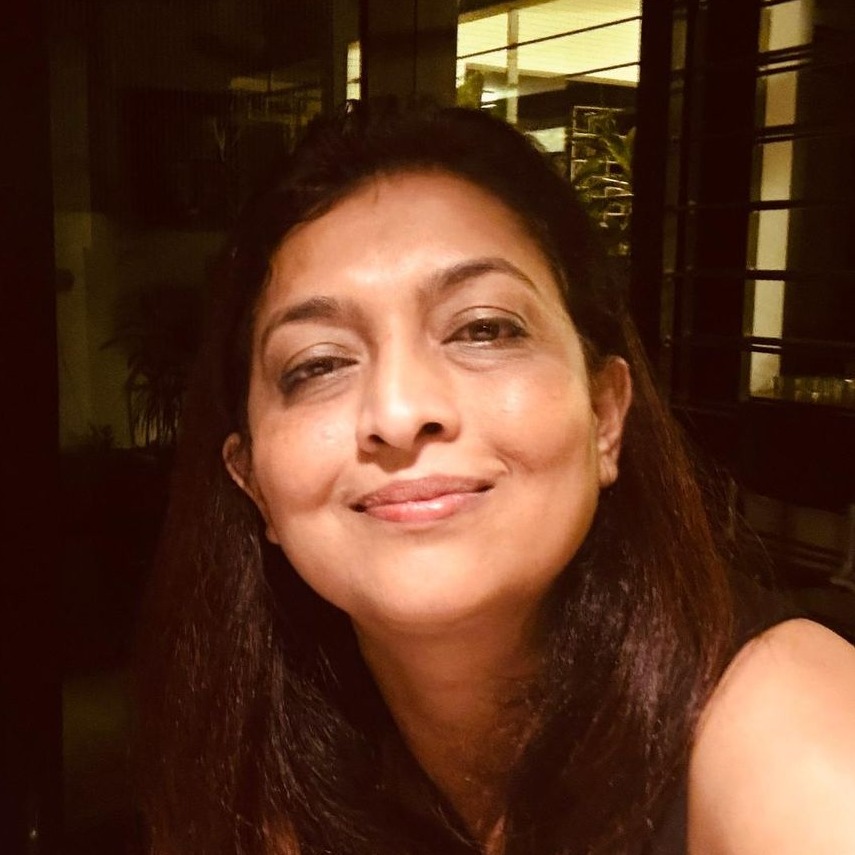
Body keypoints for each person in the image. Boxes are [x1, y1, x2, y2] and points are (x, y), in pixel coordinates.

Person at [139, 104, 855, 855]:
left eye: (483, 328)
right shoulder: (254, 760)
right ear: (253, 482)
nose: (399, 412)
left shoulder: (796, 744)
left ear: (605, 416)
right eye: (317, 364)